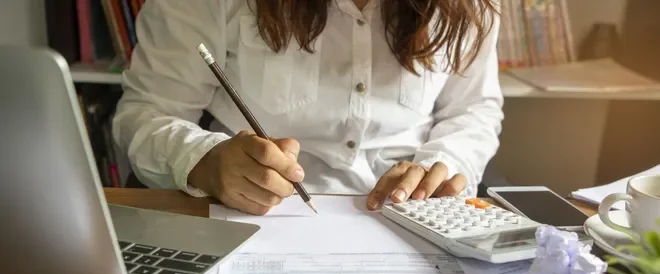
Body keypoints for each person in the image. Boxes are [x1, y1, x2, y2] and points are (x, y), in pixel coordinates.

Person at [113, 0, 503, 216]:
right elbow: (147, 111)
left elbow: (474, 110)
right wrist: (203, 161)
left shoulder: (467, 8)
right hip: (248, 218)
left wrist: (442, 167)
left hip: (414, 222)